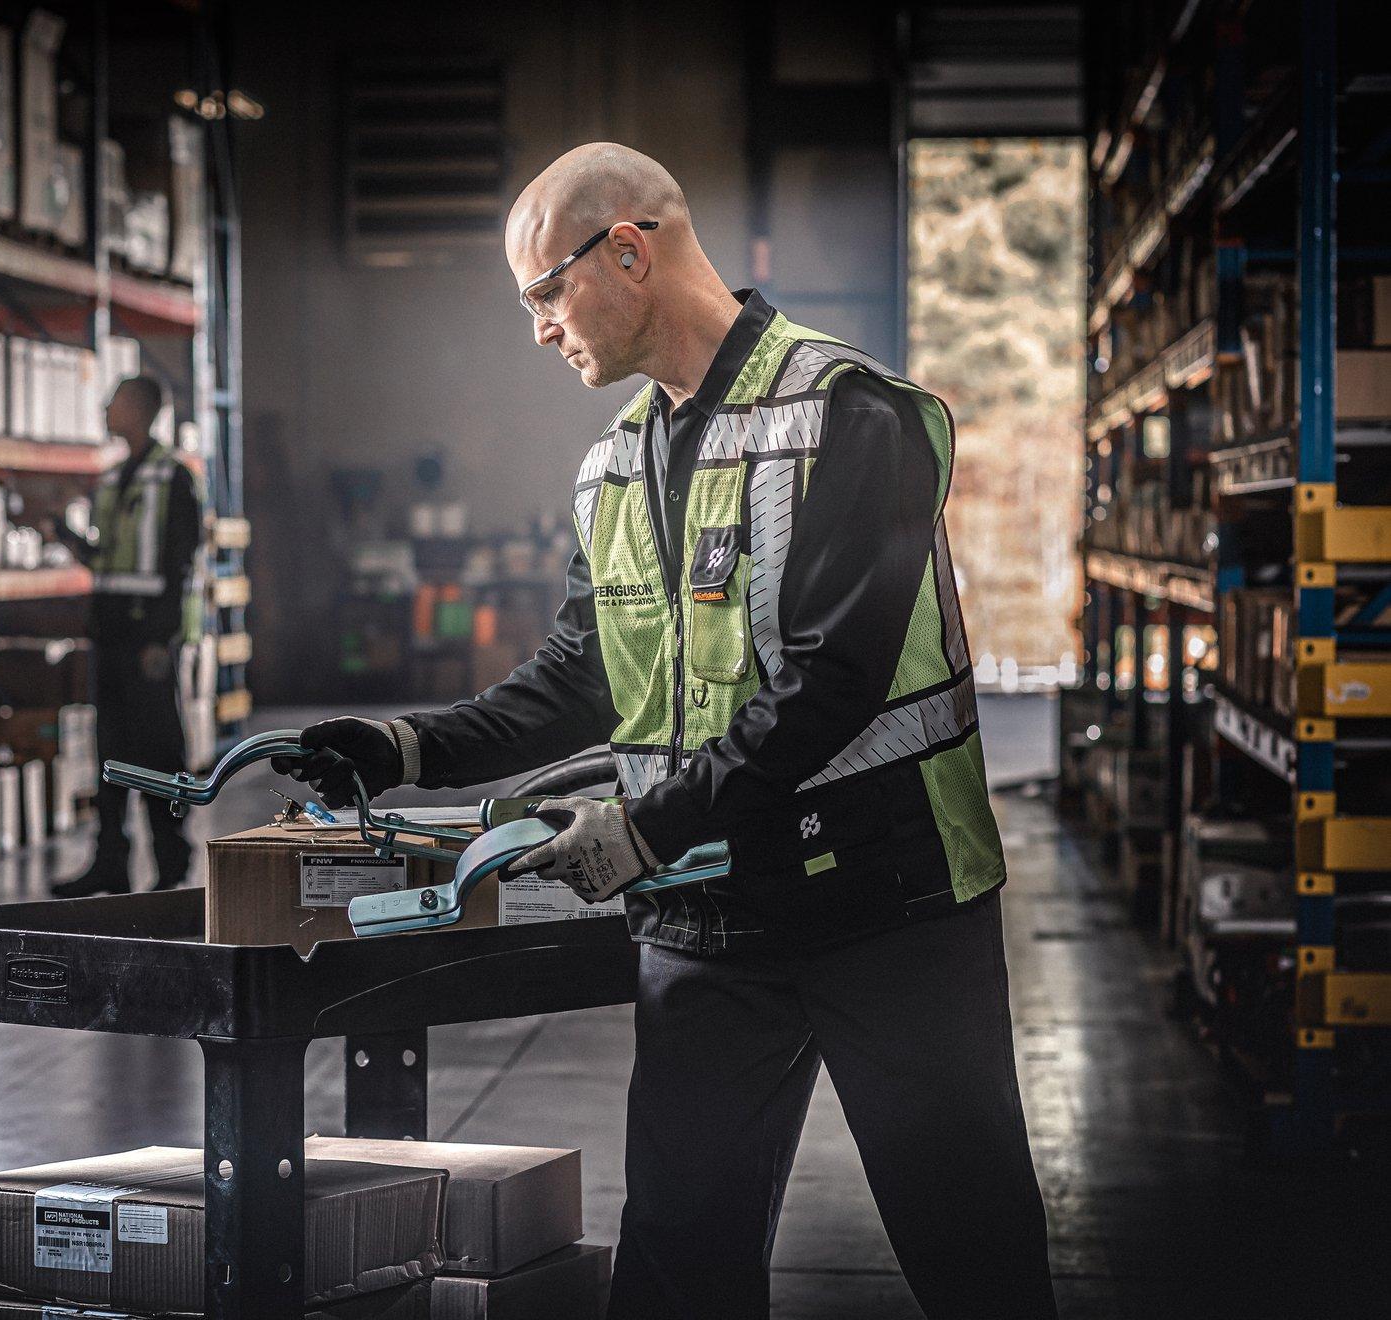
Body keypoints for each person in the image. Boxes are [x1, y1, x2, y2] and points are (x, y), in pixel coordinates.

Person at [276, 144, 1057, 1319]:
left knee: (975, 1258)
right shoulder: (616, 465)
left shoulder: (854, 414)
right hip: (712, 922)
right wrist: (405, 746)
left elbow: (831, 681)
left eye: (544, 293)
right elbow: (581, 675)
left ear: (628, 253)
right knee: (679, 1271)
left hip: (892, 907)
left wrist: (643, 829)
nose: (538, 329)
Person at [53, 375, 203, 897]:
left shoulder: (172, 478)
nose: (107, 410)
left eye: (116, 402)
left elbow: (180, 565)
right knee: (111, 753)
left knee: (158, 751)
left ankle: (171, 859)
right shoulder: (114, 481)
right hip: (112, 634)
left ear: (140, 410)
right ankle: (110, 862)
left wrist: (162, 639)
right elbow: (105, 558)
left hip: (148, 641)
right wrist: (63, 533)